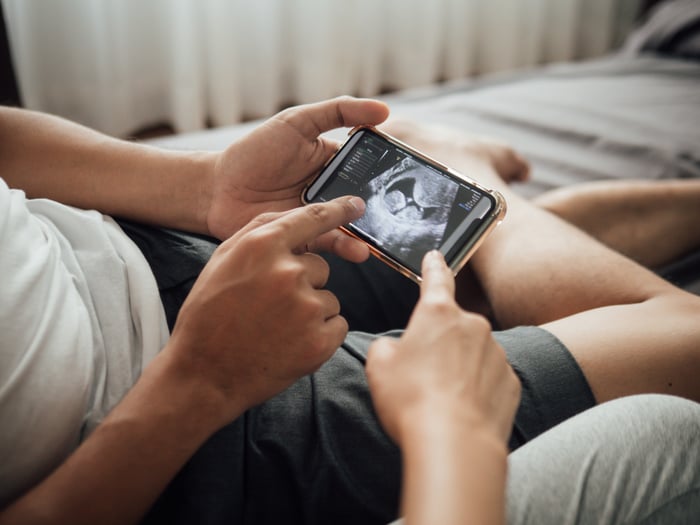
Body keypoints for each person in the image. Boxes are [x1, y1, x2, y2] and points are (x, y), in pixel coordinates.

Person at [0, 97, 698, 524]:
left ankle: (494, 218)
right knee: (681, 341)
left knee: (463, 266)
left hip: (126, 246)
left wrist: (200, 185)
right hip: (165, 446)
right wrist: (199, 381)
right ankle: (473, 183)